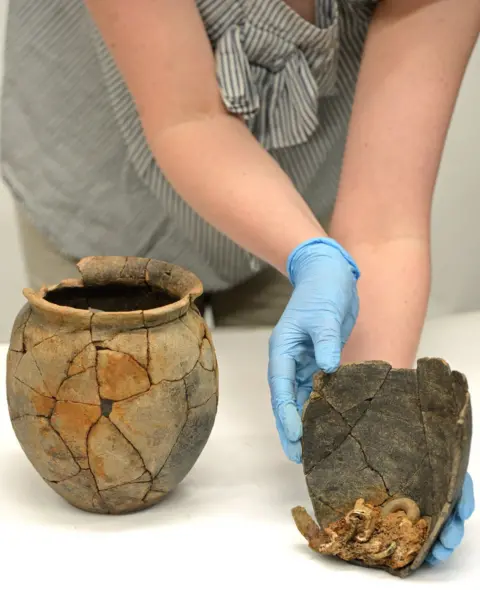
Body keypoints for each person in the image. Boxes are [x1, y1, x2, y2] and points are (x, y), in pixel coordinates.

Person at [1, 0, 476, 566]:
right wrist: (309, 253)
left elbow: (384, 224)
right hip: (102, 188)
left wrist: (377, 435)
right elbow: (188, 116)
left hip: (291, 204)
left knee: (302, 384)